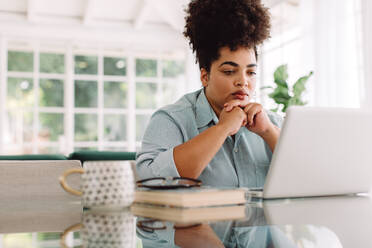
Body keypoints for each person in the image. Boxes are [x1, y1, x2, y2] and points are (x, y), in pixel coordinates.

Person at [136, 0, 282, 188]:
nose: (243, 81)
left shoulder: (271, 123)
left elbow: (309, 178)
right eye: (229, 71)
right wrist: (222, 129)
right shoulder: (171, 120)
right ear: (205, 76)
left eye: (251, 72)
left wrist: (268, 132)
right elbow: (150, 182)